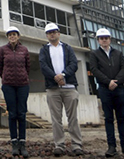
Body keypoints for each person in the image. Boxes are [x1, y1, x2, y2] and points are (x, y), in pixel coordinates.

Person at [88, 28, 124, 157]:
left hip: (119, 89)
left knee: (121, 118)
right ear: (98, 40)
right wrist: (108, 82)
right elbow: (94, 69)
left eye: (106, 38)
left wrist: (116, 82)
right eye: (101, 38)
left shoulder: (118, 53)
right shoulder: (94, 54)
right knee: (109, 118)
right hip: (104, 89)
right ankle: (111, 146)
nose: (104, 40)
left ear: (110, 39)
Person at [38, 22, 84, 156]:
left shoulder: (68, 48)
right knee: (56, 119)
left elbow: (73, 64)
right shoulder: (44, 50)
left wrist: (63, 75)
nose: (52, 34)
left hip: (69, 88)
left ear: (58, 33)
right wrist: (55, 77)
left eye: (54, 31)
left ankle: (76, 145)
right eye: (49, 32)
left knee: (73, 118)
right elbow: (43, 66)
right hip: (53, 89)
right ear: (47, 35)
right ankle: (59, 145)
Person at [0, 26, 31, 158]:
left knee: (21, 114)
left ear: (18, 36)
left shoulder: (24, 50)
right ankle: (14, 144)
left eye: (14, 34)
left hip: (23, 85)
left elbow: (27, 67)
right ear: (7, 37)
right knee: (12, 114)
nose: (12, 37)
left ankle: (22, 142)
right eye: (10, 35)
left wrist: (23, 77)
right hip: (8, 86)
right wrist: (6, 77)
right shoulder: (2, 50)